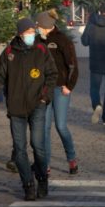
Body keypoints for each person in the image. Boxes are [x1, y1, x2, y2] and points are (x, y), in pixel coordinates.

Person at [0, 16, 57, 201]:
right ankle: (28, 184)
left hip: (38, 105)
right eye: (28, 32)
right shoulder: (9, 52)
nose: (32, 35)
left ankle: (42, 179)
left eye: (33, 32)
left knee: (38, 146)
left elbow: (51, 74)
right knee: (19, 148)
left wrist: (44, 97)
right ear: (20, 34)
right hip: (16, 107)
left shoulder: (41, 50)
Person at [35, 10, 79, 174]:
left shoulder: (62, 40)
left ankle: (71, 158)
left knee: (61, 126)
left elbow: (73, 65)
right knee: (44, 128)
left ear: (46, 26)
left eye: (39, 26)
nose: (37, 28)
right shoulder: (37, 40)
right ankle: (45, 164)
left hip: (61, 89)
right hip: (43, 89)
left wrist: (69, 85)